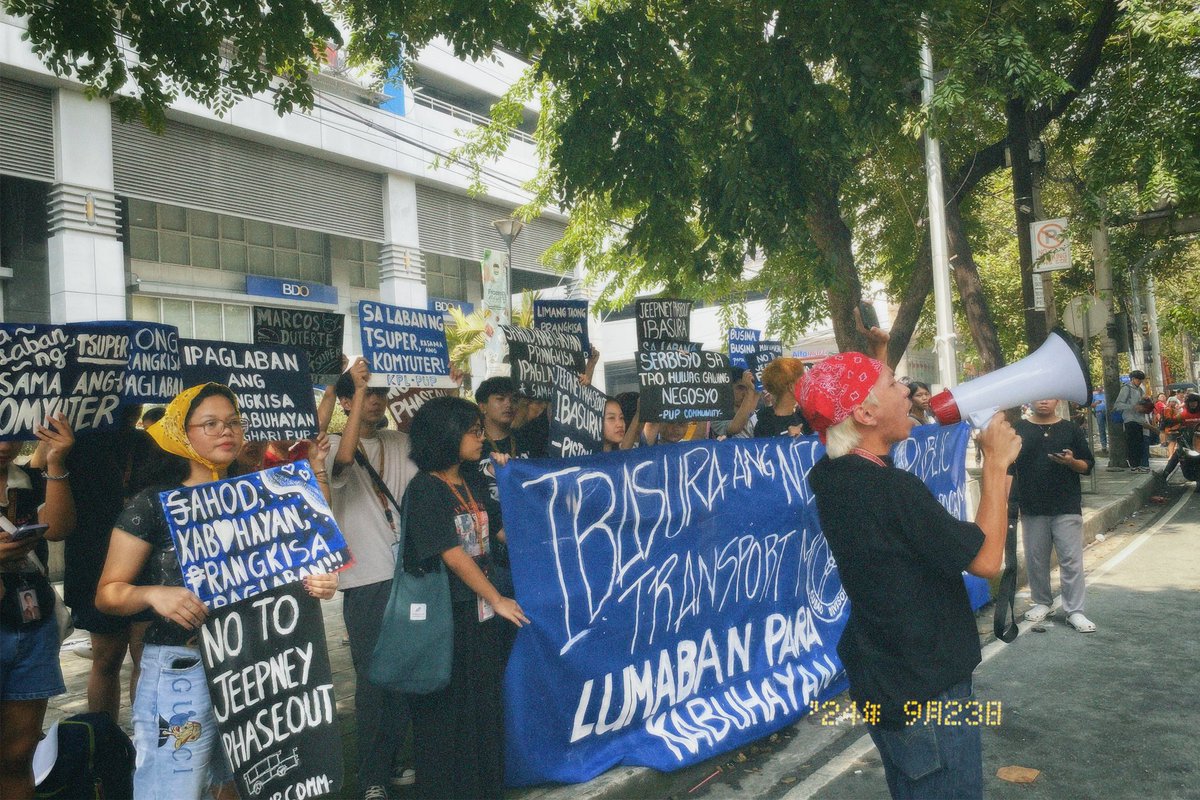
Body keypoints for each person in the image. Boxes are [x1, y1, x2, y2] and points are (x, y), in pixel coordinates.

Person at [96, 383, 337, 800]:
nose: (226, 432)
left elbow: (306, 557)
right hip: (182, 670)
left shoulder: (262, 493)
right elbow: (108, 593)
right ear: (180, 433)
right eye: (210, 424)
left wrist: (318, 581)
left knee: (244, 785)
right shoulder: (153, 504)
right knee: (170, 791)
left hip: (253, 668)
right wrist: (154, 594)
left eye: (233, 423)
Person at [800, 353, 1021, 800]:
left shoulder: (833, 476)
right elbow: (986, 562)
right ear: (864, 413)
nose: (908, 390)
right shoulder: (889, 488)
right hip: (927, 684)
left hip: (889, 675)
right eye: (893, 384)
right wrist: (995, 466)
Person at [403, 396, 529, 800]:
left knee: (483, 706)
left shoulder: (472, 480)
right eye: (473, 431)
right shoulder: (424, 489)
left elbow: (497, 531)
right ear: (446, 436)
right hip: (446, 619)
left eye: (479, 430)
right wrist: (497, 598)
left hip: (481, 618)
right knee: (447, 714)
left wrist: (514, 478)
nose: (480, 438)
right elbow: (453, 554)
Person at [328, 360, 420, 799]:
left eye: (381, 393)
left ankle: (396, 760)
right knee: (372, 680)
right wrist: (356, 389)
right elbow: (344, 463)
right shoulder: (329, 447)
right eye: (366, 393)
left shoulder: (400, 442)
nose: (376, 399)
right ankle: (372, 777)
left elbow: (440, 444)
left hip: (411, 576)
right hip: (365, 581)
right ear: (347, 402)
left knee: (408, 672)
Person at [61, 405, 157, 722]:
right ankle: (103, 742)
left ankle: (145, 744)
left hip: (145, 559)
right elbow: (39, 470)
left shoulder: (148, 443)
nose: (129, 409)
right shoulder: (79, 442)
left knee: (146, 656)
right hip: (94, 561)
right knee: (107, 658)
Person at [1, 414, 76, 800]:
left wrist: (56, 462)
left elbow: (60, 527)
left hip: (32, 626)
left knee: (18, 754)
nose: (4, 444)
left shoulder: (23, 481)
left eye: (10, 432)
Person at [1012, 399, 1097, 632]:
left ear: (1057, 400)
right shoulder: (1019, 428)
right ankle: (1042, 602)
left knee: (1071, 560)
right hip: (1032, 505)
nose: (1044, 401)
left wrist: (1071, 462)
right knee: (1036, 558)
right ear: (1031, 400)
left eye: (1049, 396)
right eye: (1039, 396)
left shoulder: (1071, 429)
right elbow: (1008, 465)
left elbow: (1088, 465)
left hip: (1066, 504)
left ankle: (1074, 611)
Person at [753, 357, 808, 437]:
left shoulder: (802, 418)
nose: (805, 385)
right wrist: (787, 440)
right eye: (802, 381)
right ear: (791, 387)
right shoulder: (765, 424)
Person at [1110, 370, 1151, 472]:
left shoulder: (1140, 390)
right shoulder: (1126, 388)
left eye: (1141, 380)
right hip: (1130, 419)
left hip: (1139, 420)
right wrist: (1134, 407)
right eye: (1138, 379)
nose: (1139, 382)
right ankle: (1134, 465)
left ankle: (1139, 465)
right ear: (1132, 379)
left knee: (1139, 443)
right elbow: (1118, 405)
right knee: (1133, 443)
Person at [1156, 393, 1200, 486]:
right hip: (1187, 441)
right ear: (1187, 403)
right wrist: (1166, 422)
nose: (1193, 404)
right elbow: (1173, 421)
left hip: (1199, 441)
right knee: (1177, 454)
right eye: (1191, 402)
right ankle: (1164, 475)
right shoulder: (1183, 414)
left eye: (1195, 402)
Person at [711, 368, 759, 439]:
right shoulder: (717, 416)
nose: (745, 393)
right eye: (740, 388)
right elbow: (735, 428)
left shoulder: (757, 414)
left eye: (747, 388)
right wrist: (750, 390)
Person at [1090, 388, 1107, 453]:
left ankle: (1110, 445)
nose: (1100, 389)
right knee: (1101, 429)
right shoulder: (1094, 395)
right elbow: (1091, 405)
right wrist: (1096, 403)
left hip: (1107, 412)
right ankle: (1104, 446)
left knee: (1109, 428)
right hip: (1099, 413)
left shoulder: (1105, 394)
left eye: (1101, 387)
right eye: (1098, 388)